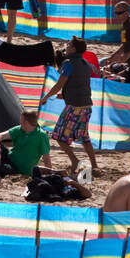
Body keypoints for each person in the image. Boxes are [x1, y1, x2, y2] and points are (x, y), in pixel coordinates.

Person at [40, 38, 98, 176]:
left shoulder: (68, 63)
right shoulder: (86, 64)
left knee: (59, 137)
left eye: (69, 45)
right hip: (87, 105)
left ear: (74, 49)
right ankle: (94, 166)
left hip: (74, 107)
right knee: (84, 137)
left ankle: (75, 161)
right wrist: (65, 95)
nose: (66, 46)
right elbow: (80, 84)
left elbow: (59, 84)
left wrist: (46, 97)